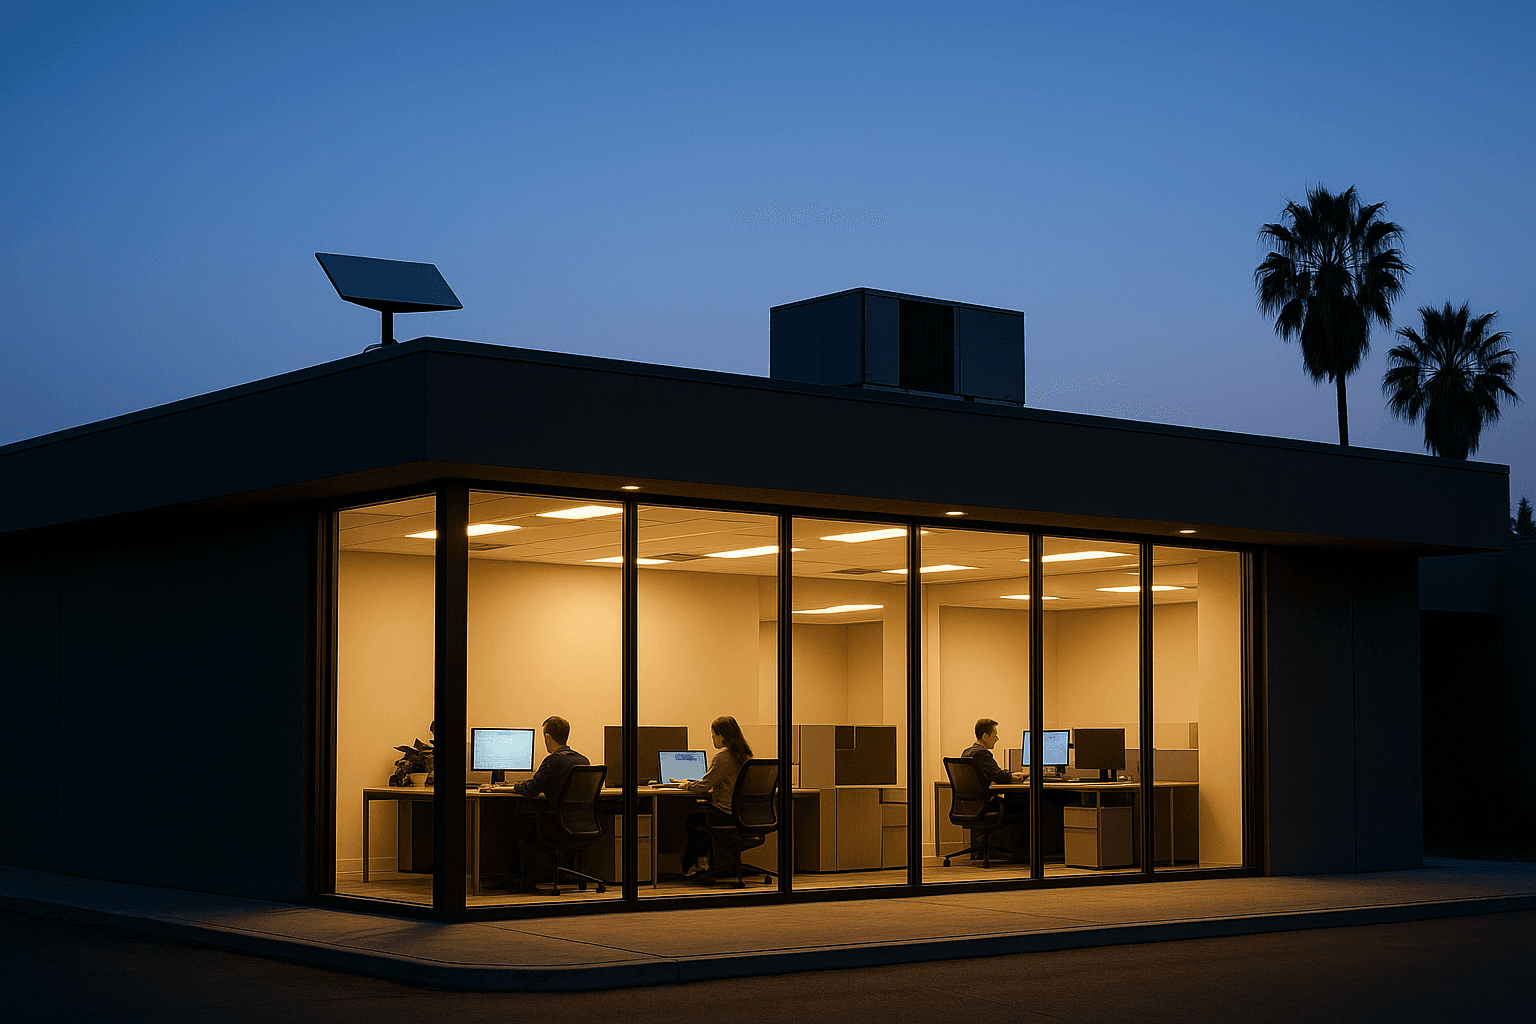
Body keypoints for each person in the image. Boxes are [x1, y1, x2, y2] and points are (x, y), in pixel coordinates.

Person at [502, 716, 589, 887]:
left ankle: (514, 880)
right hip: (580, 825)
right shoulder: (583, 760)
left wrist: (514, 787)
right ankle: (566, 874)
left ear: (547, 737)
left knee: (505, 827)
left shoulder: (553, 760)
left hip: (554, 827)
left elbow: (532, 789)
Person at [676, 715, 753, 878]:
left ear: (722, 736)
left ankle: (692, 865)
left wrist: (686, 784)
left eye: (713, 735)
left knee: (694, 820)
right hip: (742, 815)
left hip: (725, 814)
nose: (712, 739)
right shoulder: (745, 756)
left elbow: (703, 787)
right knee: (701, 814)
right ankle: (702, 862)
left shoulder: (723, 758)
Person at [962, 718, 1025, 785]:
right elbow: (998, 776)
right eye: (994, 736)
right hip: (983, 795)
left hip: (970, 795)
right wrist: (1012, 776)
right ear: (985, 736)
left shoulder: (966, 752)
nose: (997, 739)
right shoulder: (982, 753)